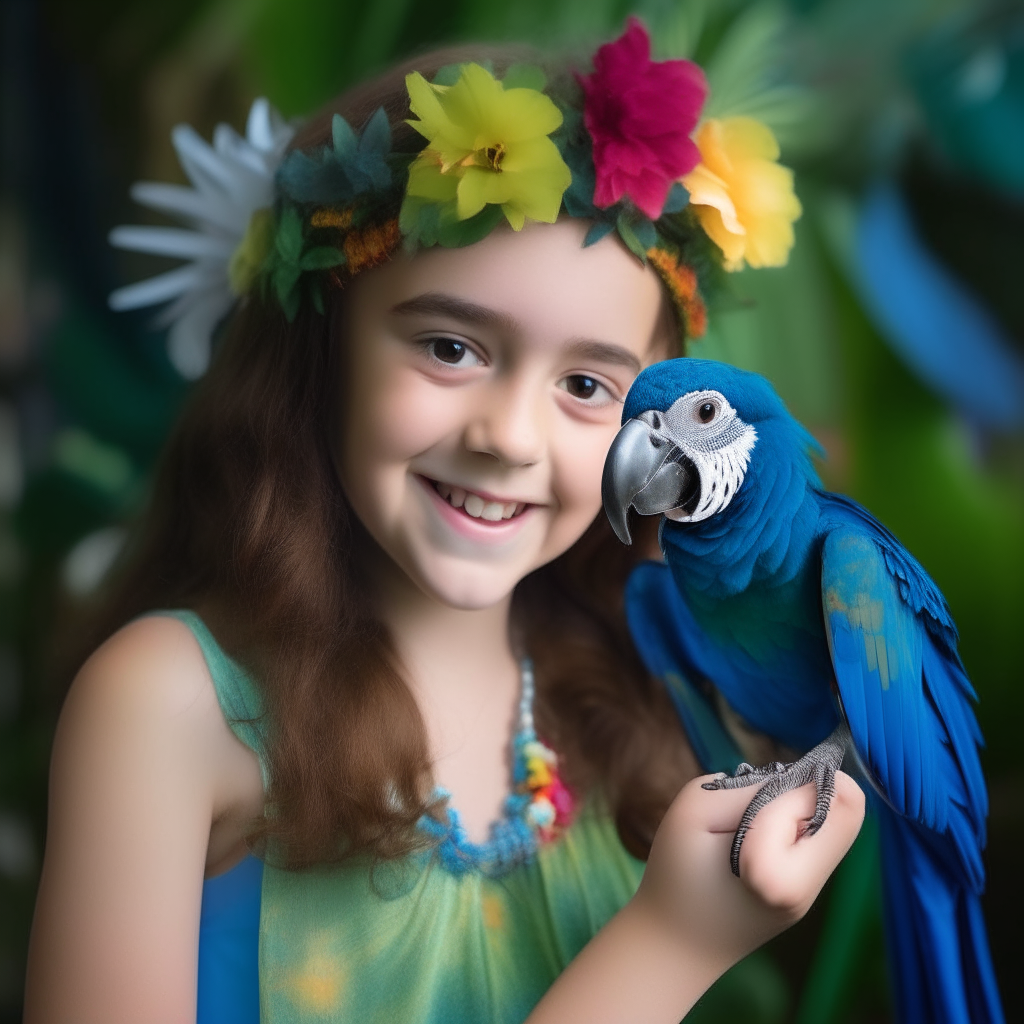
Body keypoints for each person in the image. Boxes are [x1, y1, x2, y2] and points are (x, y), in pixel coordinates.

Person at [23, 23, 864, 1024]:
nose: (509, 436)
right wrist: (669, 947)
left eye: (589, 385)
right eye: (452, 347)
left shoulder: (629, 695)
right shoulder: (172, 705)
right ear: (320, 348)